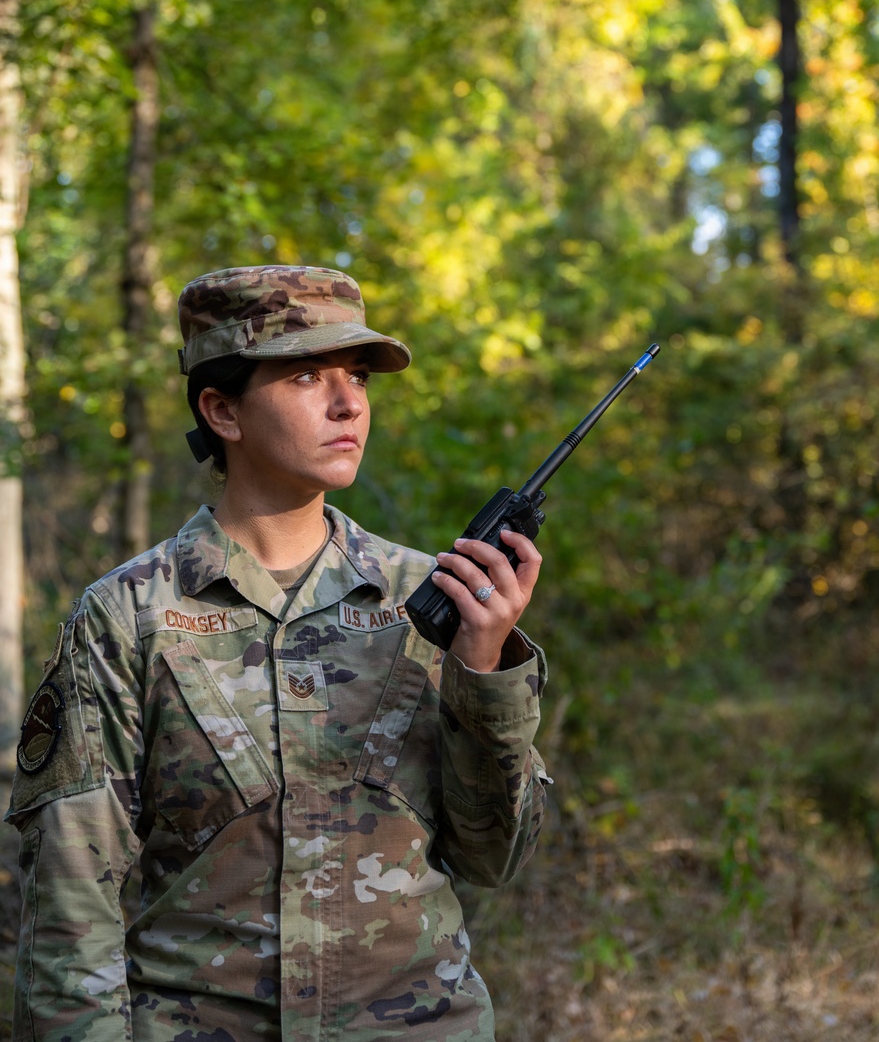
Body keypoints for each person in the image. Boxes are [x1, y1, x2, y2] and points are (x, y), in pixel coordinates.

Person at [7, 265, 549, 1041]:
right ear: (221, 409)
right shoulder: (131, 613)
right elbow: (71, 899)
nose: (349, 403)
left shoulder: (435, 600)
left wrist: (485, 668)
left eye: (357, 376)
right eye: (306, 376)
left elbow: (494, 858)